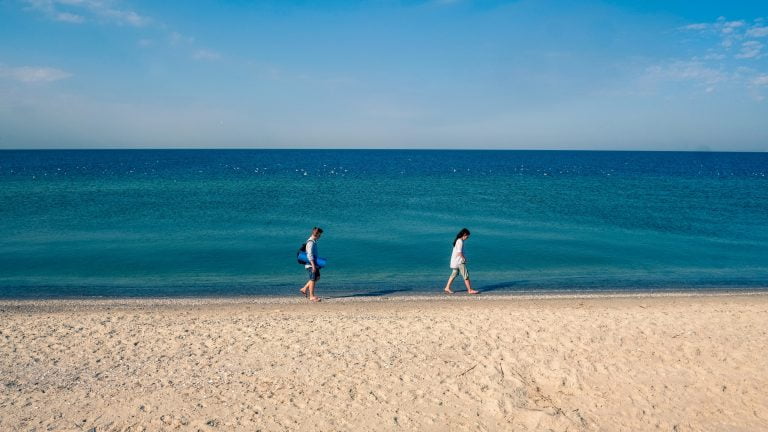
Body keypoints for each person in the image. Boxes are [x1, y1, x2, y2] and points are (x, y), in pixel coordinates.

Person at [444, 228, 479, 295]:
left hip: (455, 261)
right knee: (466, 275)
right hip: (459, 261)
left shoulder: (458, 240)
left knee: (454, 274)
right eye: (467, 236)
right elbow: (459, 252)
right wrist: (464, 259)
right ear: (464, 235)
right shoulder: (460, 241)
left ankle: (447, 287)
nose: (467, 238)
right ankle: (470, 290)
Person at [300, 227, 323, 302]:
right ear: (317, 234)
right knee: (313, 279)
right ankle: (311, 296)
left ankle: (304, 288)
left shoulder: (314, 241)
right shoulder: (310, 242)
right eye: (320, 235)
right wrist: (313, 265)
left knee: (317, 277)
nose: (320, 236)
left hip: (314, 264)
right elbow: (309, 255)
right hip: (310, 264)